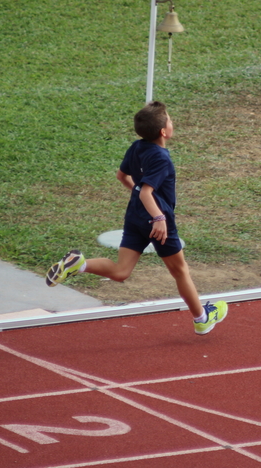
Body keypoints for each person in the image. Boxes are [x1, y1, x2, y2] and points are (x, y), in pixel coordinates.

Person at [45, 101, 228, 335]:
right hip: (157, 223)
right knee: (180, 270)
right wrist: (158, 217)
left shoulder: (136, 147)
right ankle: (202, 318)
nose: (172, 123)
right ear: (163, 131)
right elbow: (145, 191)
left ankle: (81, 265)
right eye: (170, 120)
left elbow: (122, 176)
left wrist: (141, 200)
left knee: (121, 271)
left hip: (134, 217)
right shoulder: (162, 158)